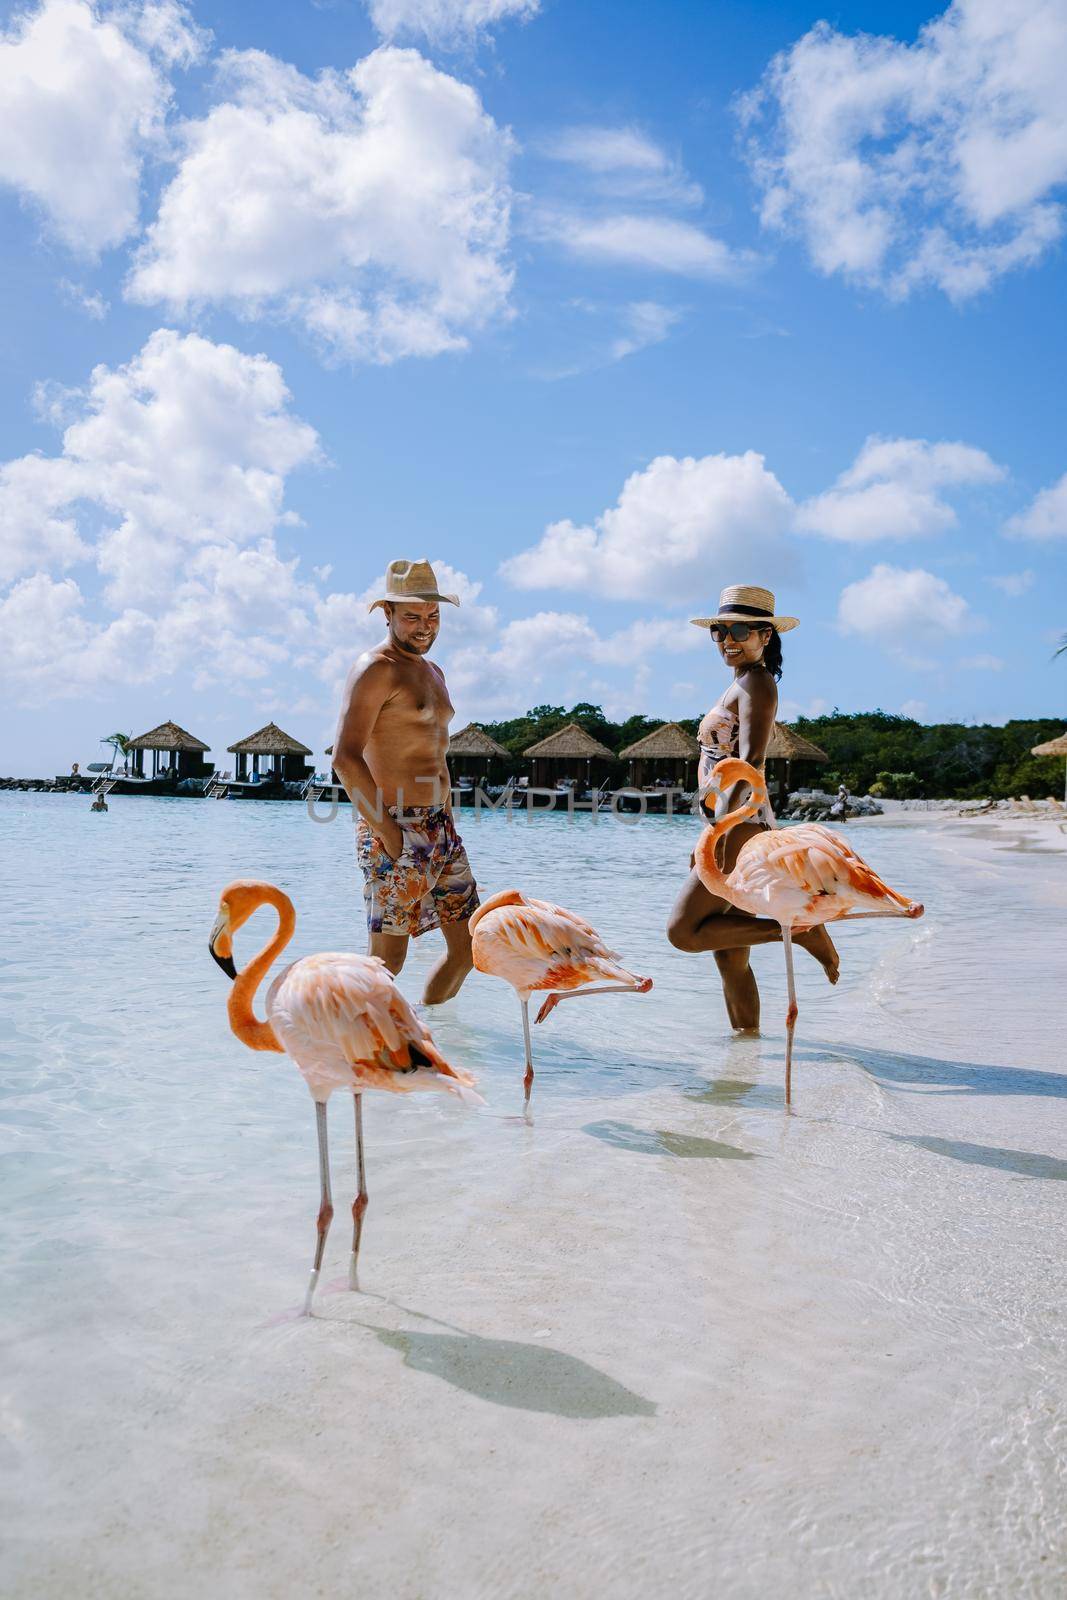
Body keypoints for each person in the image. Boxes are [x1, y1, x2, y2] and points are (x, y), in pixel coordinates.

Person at [667, 584, 839, 1030]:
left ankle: (799, 931)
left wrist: (716, 834)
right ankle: (746, 1052)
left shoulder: (758, 683)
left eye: (740, 630)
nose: (728, 639)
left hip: (737, 830)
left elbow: (751, 763)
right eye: (721, 630)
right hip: (738, 827)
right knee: (729, 956)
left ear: (766, 636)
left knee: (683, 933)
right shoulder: (743, 684)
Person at [331, 558, 478, 1004]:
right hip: (393, 825)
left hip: (441, 830)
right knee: (386, 964)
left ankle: (427, 1037)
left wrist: (447, 819)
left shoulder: (435, 674)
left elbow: (438, 752)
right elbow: (344, 758)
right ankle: (358, 1052)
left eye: (432, 616)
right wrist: (390, 836)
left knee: (467, 950)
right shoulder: (375, 669)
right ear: (387, 614)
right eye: (412, 616)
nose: (424, 626)